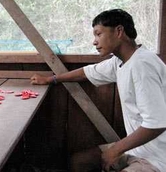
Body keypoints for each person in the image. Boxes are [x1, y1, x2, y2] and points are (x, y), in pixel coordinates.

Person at [30, 9, 166, 172]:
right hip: (137, 149)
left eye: (98, 34)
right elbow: (87, 72)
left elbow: (157, 124)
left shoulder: (142, 65)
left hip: (157, 158)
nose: (94, 41)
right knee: (79, 162)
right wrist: (51, 79)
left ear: (119, 31)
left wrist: (115, 150)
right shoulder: (120, 61)